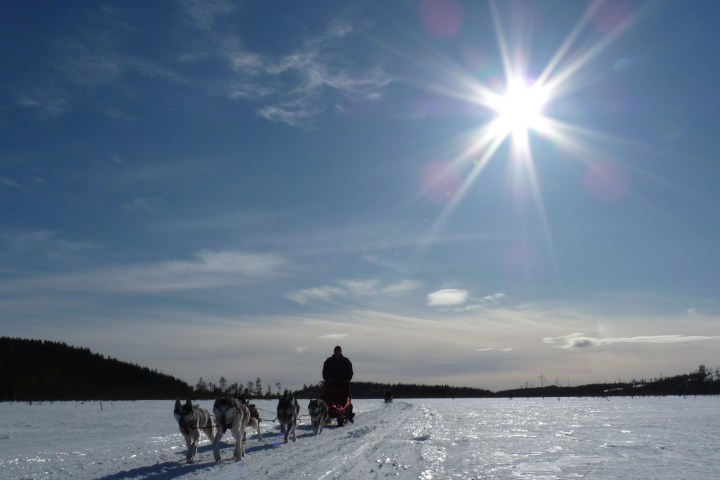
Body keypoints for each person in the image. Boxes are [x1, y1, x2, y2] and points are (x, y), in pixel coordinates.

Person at [322, 345, 354, 423]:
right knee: (323, 397)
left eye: (338, 351)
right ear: (334, 352)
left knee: (348, 398)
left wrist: (347, 379)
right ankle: (324, 413)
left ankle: (348, 413)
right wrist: (327, 380)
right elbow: (324, 372)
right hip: (331, 384)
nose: (337, 353)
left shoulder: (346, 361)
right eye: (336, 351)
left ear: (340, 352)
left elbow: (350, 372)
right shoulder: (328, 361)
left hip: (343, 384)